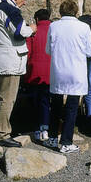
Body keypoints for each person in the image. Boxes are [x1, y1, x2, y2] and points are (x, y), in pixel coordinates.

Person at [44, 0, 91, 154]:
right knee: (72, 107)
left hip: (58, 70)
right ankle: (66, 142)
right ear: (76, 11)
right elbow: (90, 52)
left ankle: (52, 138)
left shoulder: (53, 26)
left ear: (60, 11)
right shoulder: (84, 27)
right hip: (76, 71)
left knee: (56, 105)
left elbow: (48, 50)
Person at [0, 0, 33, 148]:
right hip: (10, 61)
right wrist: (32, 29)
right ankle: (3, 134)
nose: (25, 2)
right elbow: (20, 32)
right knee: (7, 99)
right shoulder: (11, 10)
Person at [23, 9, 52, 144]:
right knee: (46, 101)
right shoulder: (53, 30)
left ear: (36, 19)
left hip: (34, 72)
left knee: (35, 102)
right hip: (50, 72)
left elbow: (27, 52)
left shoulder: (32, 31)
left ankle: (36, 129)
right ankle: (45, 128)